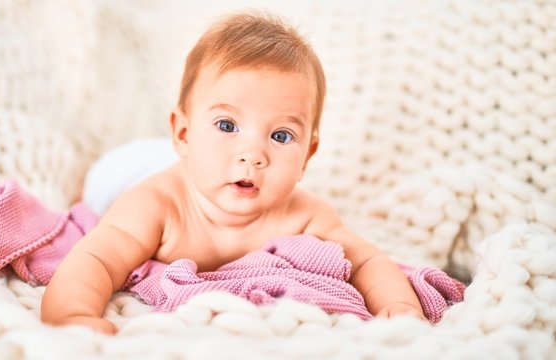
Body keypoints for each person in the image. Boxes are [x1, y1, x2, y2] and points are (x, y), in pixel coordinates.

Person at [41, 11, 425, 334]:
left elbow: (366, 261)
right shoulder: (155, 204)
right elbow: (97, 258)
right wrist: (73, 313)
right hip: (132, 167)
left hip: (203, 161)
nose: (252, 155)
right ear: (183, 132)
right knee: (100, 188)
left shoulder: (305, 214)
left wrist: (398, 304)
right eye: (227, 125)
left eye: (280, 135)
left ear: (307, 155)